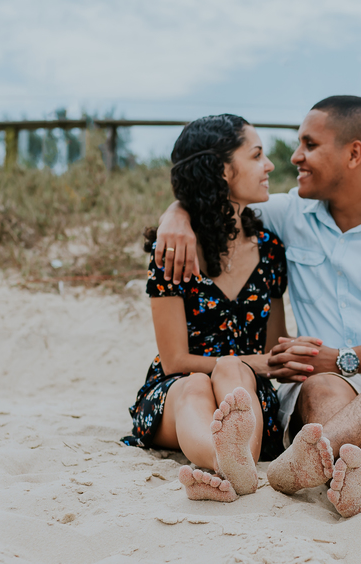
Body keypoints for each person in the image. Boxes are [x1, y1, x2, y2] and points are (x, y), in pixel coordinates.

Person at [153, 96, 361, 518]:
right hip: (330, 392)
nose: (294, 157)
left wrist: (346, 359)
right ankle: (349, 469)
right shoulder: (291, 214)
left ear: (353, 153)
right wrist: (176, 215)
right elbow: (214, 194)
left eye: (309, 144)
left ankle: (310, 456)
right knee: (320, 385)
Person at [121, 114, 306, 502]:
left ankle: (233, 463)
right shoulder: (174, 250)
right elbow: (174, 361)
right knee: (198, 384)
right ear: (223, 171)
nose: (270, 165)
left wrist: (245, 367)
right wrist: (238, 364)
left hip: (248, 391)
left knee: (234, 379)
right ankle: (227, 460)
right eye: (256, 155)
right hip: (176, 390)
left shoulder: (270, 251)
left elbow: (272, 350)